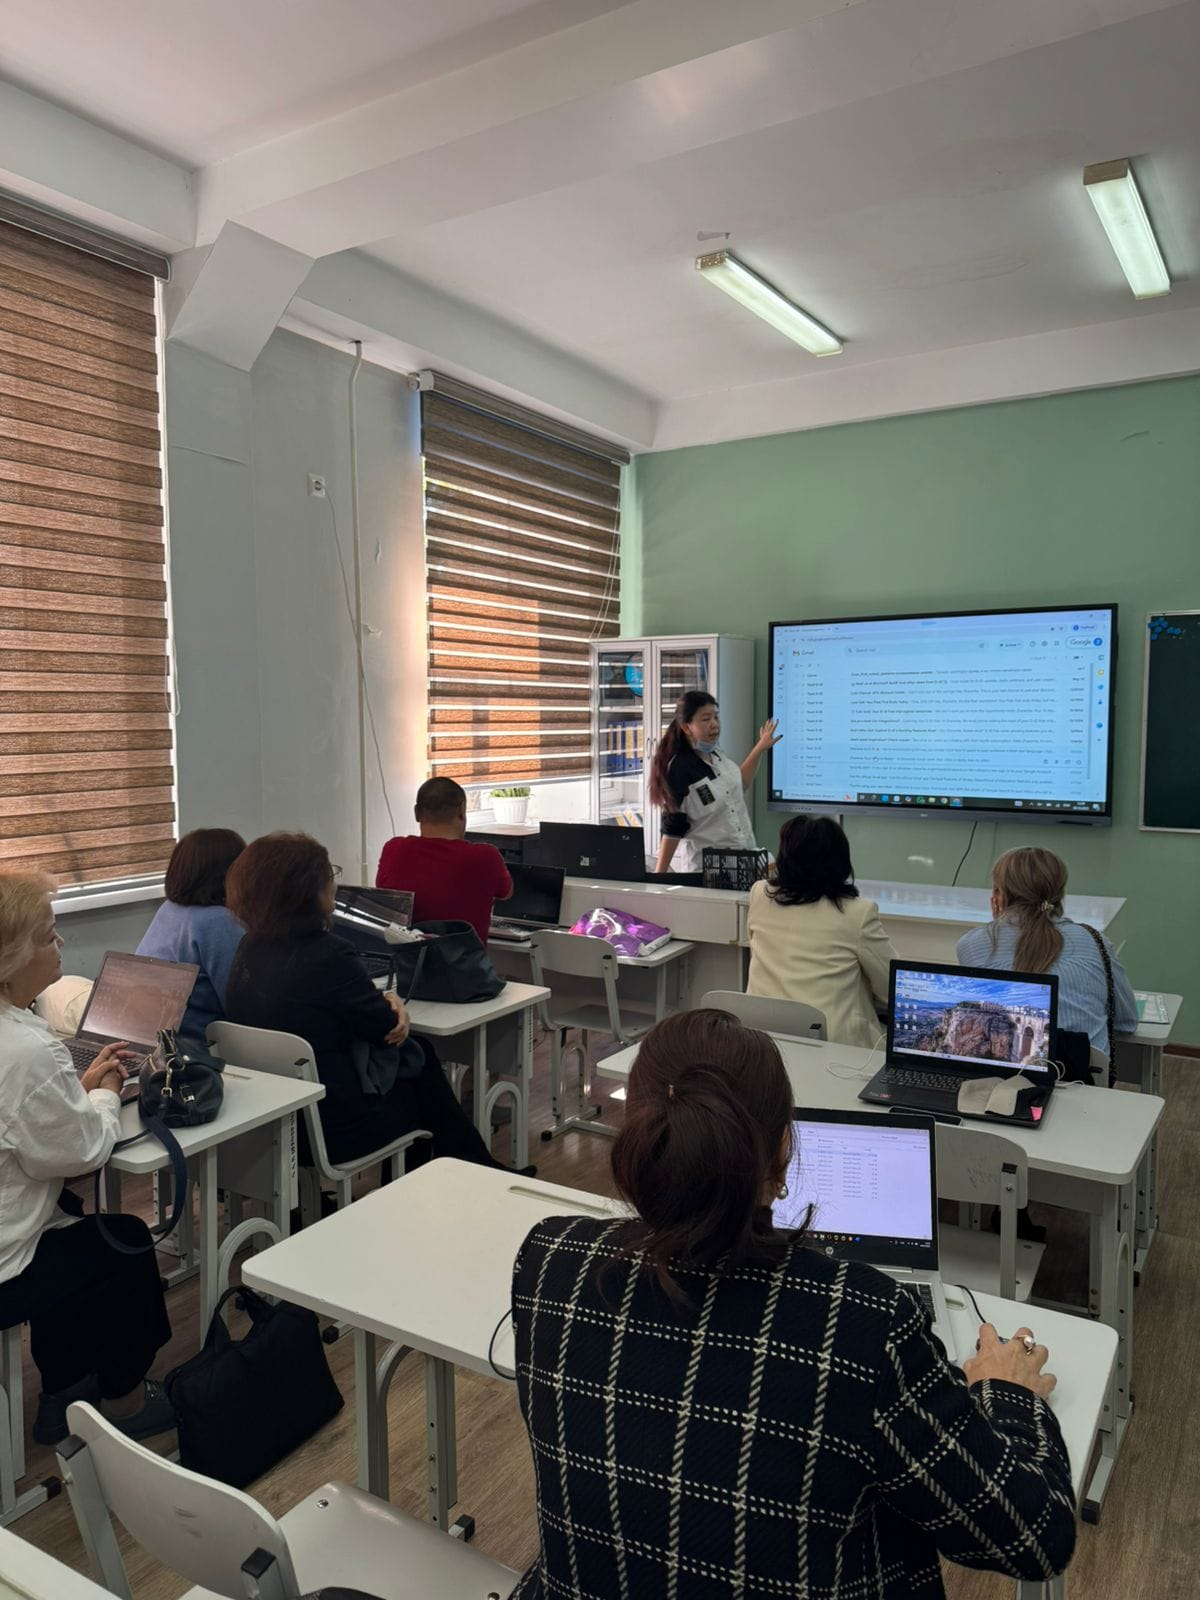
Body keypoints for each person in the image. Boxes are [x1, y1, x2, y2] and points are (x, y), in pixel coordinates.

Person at [508, 1009, 1076, 1599]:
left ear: (638, 1131)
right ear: (783, 1150)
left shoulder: (549, 1258)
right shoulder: (865, 1322)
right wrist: (1006, 1394)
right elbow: (1036, 1538)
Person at [225, 832, 528, 1174]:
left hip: (273, 1119)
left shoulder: (249, 948)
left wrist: (384, 1000)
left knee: (420, 1064)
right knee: (421, 1068)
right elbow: (386, 1030)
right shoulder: (329, 954)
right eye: (330, 874)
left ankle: (468, 1166)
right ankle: (464, 1171)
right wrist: (392, 1002)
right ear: (309, 891)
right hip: (333, 1126)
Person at [0, 871, 175, 1447]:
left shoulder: (23, 1042)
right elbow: (82, 1152)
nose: (61, 944)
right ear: (9, 959)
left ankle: (64, 1392)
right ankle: (126, 1401)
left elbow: (25, 1124)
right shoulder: (25, 1050)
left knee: (70, 1228)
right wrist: (104, 1092)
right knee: (123, 1244)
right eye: (48, 936)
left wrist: (71, 1088)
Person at [957, 846, 1136, 1075]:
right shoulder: (1094, 940)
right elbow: (1127, 1022)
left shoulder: (972, 945)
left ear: (998, 895)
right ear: (1060, 894)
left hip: (1003, 1082)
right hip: (1085, 1083)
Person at [746, 813, 896, 1046]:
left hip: (765, 1041)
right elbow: (892, 989)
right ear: (840, 861)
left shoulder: (760, 894)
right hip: (833, 1046)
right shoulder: (857, 913)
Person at [649, 690, 780, 874]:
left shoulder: (716, 754)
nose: (714, 724)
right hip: (708, 873)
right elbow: (673, 826)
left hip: (744, 865)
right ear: (686, 727)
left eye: (716, 717)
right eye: (705, 719)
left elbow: (740, 785)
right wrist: (659, 877)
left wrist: (760, 748)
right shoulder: (680, 768)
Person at [136, 828, 246, 1038]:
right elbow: (241, 1005)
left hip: (147, 1033)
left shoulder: (170, 909)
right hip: (193, 1044)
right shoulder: (218, 922)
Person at [376, 777, 511, 945]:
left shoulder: (393, 849)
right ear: (462, 810)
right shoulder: (486, 856)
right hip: (466, 960)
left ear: (416, 813)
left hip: (407, 960)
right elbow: (506, 893)